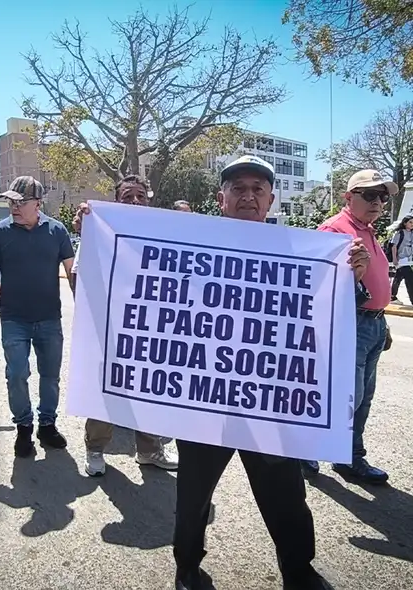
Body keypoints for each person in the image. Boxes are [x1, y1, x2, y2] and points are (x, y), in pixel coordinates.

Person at [163, 156, 351, 590]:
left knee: (285, 493)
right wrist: (97, 227)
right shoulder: (193, 243)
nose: (248, 195)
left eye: (257, 189)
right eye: (238, 187)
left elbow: (321, 311)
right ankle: (187, 563)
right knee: (193, 494)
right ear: (221, 197)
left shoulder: (297, 249)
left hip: (268, 398)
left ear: (270, 198)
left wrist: (348, 278)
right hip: (205, 398)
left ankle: (298, 568)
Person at [78, 176, 178, 475]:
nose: (135, 201)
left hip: (151, 328)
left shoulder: (163, 233)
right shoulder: (99, 232)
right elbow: (81, 278)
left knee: (149, 390)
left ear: (148, 200)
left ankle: (149, 450)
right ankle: (95, 450)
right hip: (110, 328)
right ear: (116, 201)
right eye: (127, 196)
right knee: (106, 392)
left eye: (141, 196)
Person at [304, 169, 395, 485]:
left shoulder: (366, 229)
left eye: (382, 196)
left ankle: (350, 457)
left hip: (372, 324)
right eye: (369, 195)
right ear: (348, 197)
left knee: (362, 398)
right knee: (344, 399)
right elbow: (320, 285)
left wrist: (382, 322)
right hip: (350, 324)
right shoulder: (334, 230)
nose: (378, 202)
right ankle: (306, 449)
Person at [0, 176, 73, 457]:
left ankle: (47, 424)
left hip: (49, 318)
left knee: (50, 376)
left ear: (38, 204)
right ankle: (24, 428)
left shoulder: (57, 231)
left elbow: (72, 272)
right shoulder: (0, 232)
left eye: (20, 202)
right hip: (14, 319)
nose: (13, 207)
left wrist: (87, 309)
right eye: (11, 201)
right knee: (17, 374)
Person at [389, 215, 413, 304]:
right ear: (405, 223)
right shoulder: (399, 233)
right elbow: (394, 246)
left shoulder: (411, 233)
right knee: (410, 278)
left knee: (398, 278)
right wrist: (395, 259)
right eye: (410, 222)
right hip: (401, 259)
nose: (412, 224)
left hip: (408, 259)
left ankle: (392, 296)